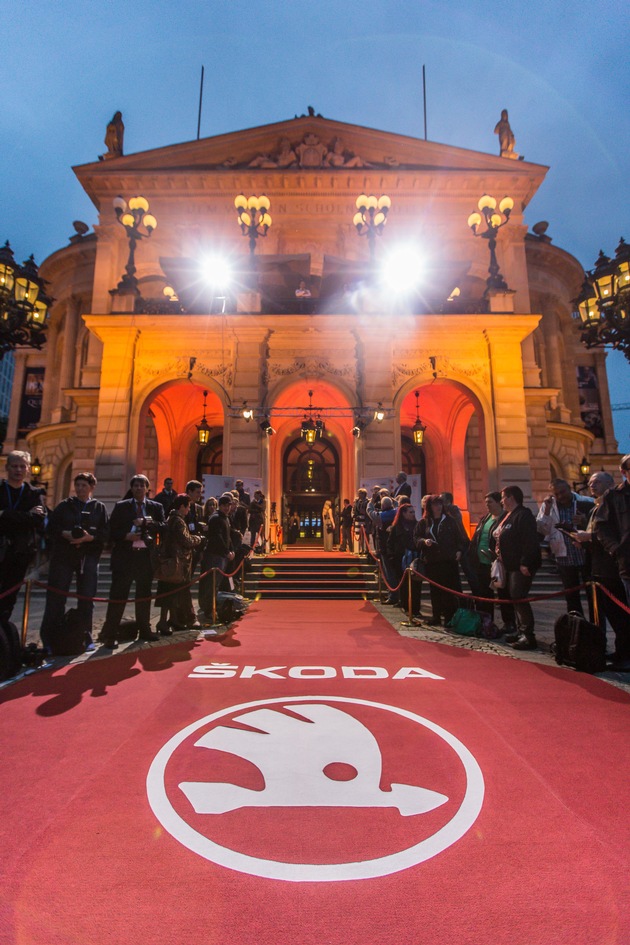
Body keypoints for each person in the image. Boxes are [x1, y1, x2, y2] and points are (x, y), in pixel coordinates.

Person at [39, 473, 108, 653]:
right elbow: (51, 528)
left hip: (88, 558)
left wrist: (88, 538)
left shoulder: (98, 508)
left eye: (84, 485)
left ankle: (85, 635)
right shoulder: (65, 505)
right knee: (56, 598)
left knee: (86, 598)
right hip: (63, 557)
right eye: (77, 485)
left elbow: (105, 534)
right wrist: (65, 534)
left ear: (91, 487)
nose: (80, 488)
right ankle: (49, 638)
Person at [572, 471, 630, 670]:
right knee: (609, 615)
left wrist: (589, 539)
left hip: (611, 568)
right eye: (590, 483)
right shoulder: (594, 508)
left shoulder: (615, 504)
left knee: (620, 615)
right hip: (596, 568)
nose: (591, 486)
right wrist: (584, 542)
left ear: (610, 483)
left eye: (596, 482)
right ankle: (618, 651)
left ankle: (626, 655)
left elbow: (614, 536)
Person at [99, 474, 164, 648]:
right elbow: (111, 531)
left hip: (145, 558)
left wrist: (147, 523)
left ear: (147, 488)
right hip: (125, 558)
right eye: (135, 485)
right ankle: (111, 634)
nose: (138, 488)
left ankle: (145, 629)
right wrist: (126, 536)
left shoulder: (156, 507)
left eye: (142, 486)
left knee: (144, 596)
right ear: (131, 488)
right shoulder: (121, 507)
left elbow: (163, 527)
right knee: (118, 596)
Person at [0, 451, 47, 623]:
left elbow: (37, 520)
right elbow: (29, 518)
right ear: (7, 468)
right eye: (14, 466)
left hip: (20, 552)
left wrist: (4, 514)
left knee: (9, 598)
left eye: (22, 466)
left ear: (27, 469)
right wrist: (25, 516)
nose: (18, 470)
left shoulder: (34, 493)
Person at [493, 486, 542, 650]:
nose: (501, 501)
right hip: (509, 565)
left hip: (520, 566)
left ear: (511, 498)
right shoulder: (509, 516)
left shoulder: (523, 515)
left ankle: (528, 635)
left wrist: (525, 562)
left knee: (519, 597)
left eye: (503, 497)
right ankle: (521, 631)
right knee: (514, 598)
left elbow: (530, 541)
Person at [536, 478, 594, 616]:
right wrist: (547, 511)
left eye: (562, 492)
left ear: (569, 488)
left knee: (593, 594)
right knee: (571, 595)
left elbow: (597, 526)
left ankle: (596, 627)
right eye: (556, 494)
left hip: (586, 555)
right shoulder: (549, 506)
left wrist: (584, 521)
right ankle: (576, 626)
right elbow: (542, 529)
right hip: (564, 556)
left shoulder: (586, 502)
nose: (560, 496)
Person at [415, 495, 468, 626]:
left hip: (448, 561)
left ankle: (449, 617)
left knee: (448, 590)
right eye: (435, 504)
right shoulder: (424, 522)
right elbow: (416, 538)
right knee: (435, 590)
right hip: (432, 562)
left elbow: (460, 538)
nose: (438, 507)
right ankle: (436, 616)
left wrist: (459, 551)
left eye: (440, 504)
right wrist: (424, 541)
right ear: (429, 507)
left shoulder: (450, 521)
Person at [155, 494, 204, 634]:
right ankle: (163, 622)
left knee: (170, 592)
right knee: (170, 592)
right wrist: (198, 539)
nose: (189, 510)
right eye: (188, 507)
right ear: (182, 506)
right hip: (176, 563)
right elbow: (186, 540)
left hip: (171, 561)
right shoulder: (178, 521)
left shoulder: (171, 518)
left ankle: (173, 619)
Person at [468, 491, 514, 630]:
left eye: (490, 502)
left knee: (503, 594)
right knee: (485, 594)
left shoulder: (505, 518)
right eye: (486, 502)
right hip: (482, 563)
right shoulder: (485, 518)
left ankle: (509, 623)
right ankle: (487, 621)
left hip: (499, 564)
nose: (487, 505)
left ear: (498, 502)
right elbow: (478, 536)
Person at [593, 454, 630, 611]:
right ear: (623, 472)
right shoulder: (614, 496)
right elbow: (601, 527)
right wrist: (616, 550)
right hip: (628, 564)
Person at [199, 495, 234, 618]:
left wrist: (231, 550)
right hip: (215, 555)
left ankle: (211, 608)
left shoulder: (225, 518)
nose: (227, 508)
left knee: (216, 584)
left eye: (229, 505)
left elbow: (227, 537)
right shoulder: (216, 518)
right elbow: (217, 538)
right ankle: (209, 609)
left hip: (222, 555)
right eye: (225, 505)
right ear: (220, 505)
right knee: (211, 584)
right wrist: (227, 551)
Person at [386, 502, 419, 608]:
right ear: (403, 513)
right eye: (410, 512)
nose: (413, 514)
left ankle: (415, 607)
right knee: (403, 584)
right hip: (400, 558)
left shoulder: (417, 526)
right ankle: (405, 605)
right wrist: (392, 557)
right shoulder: (396, 527)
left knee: (416, 584)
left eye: (413, 512)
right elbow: (390, 543)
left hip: (414, 558)